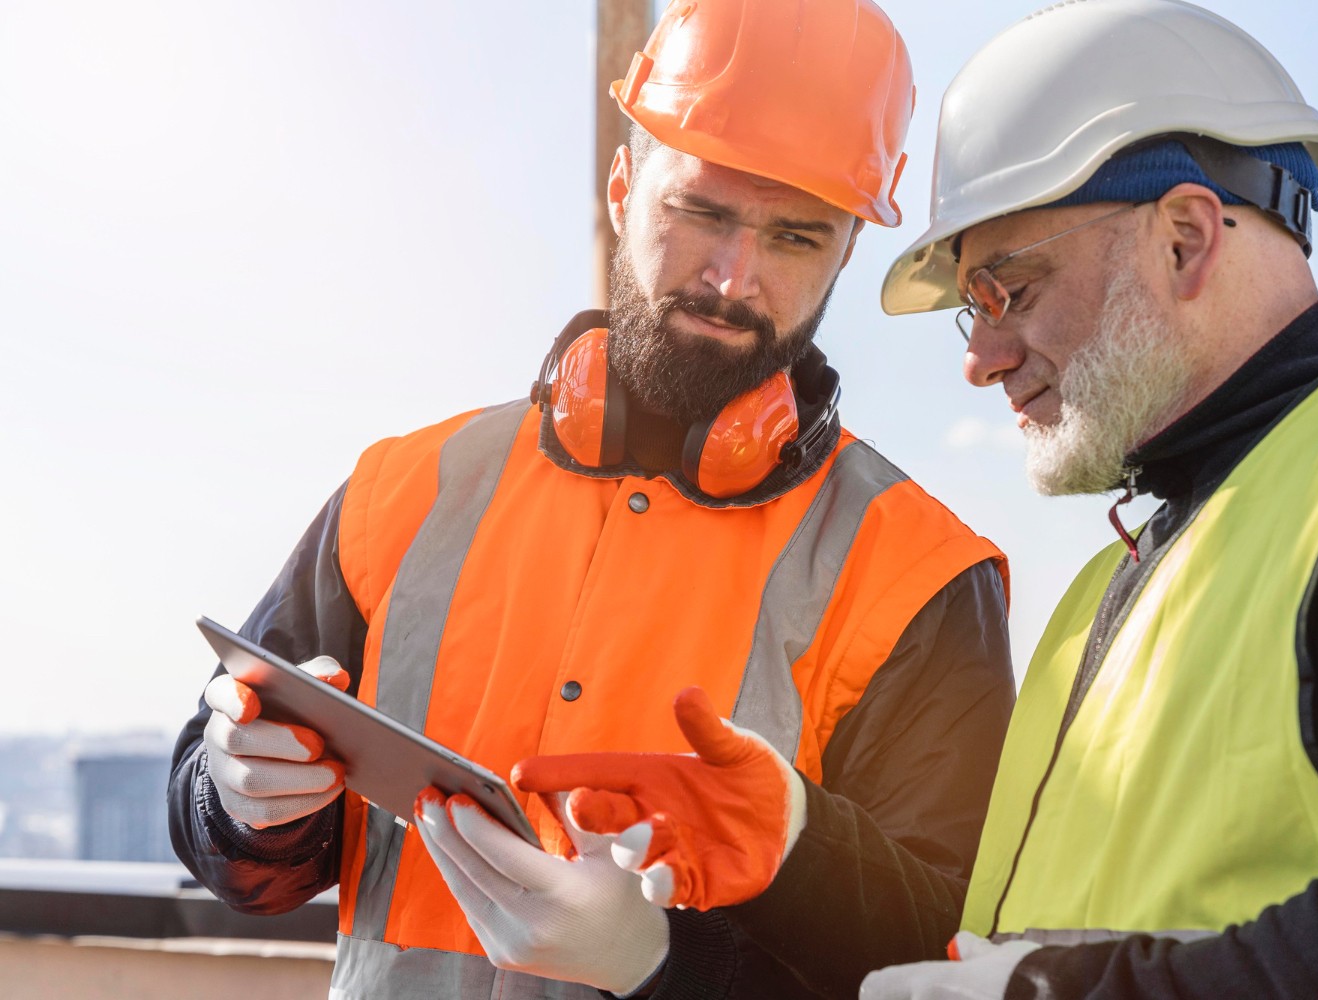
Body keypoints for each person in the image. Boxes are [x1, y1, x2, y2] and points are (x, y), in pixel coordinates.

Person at [520, 1, 1318, 998]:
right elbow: (975, 947)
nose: (981, 363)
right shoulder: (1103, 595)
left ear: (1186, 238)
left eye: (1009, 293)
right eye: (971, 313)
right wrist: (800, 849)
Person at [166, 1, 1016, 998]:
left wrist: (662, 969)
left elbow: (938, 959)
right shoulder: (403, 489)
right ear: (623, 188)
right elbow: (231, 836)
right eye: (701, 210)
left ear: (843, 255)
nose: (733, 276)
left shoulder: (920, 576)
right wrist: (235, 797)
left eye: (794, 235)